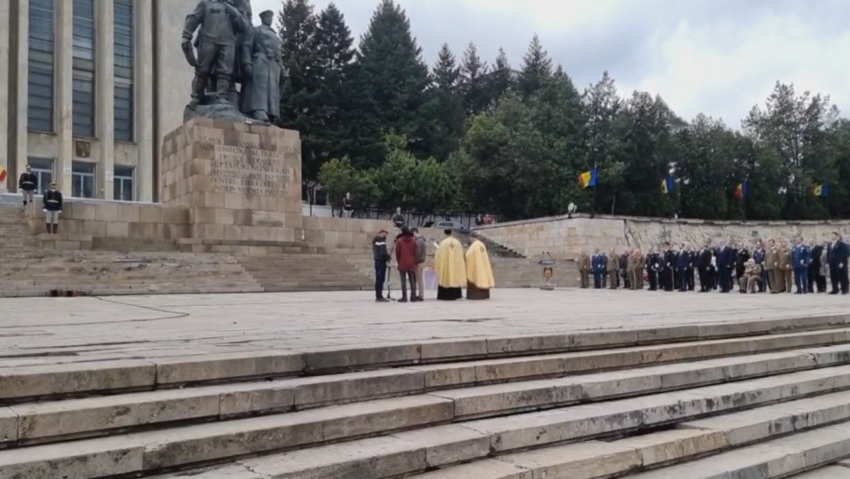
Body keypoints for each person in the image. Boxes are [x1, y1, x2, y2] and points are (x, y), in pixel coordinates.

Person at [435, 229, 465, 300]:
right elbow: (461, 254)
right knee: (455, 278)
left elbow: (438, 255)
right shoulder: (457, 243)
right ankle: (457, 294)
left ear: (445, 234)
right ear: (451, 233)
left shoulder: (443, 243)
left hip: (446, 266)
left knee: (446, 278)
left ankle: (445, 295)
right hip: (455, 265)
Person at [393, 226, 417, 302]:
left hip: (402, 262)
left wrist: (399, 261)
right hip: (411, 262)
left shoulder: (399, 241)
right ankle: (413, 296)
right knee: (412, 280)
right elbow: (415, 251)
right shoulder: (413, 241)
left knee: (403, 281)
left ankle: (404, 297)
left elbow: (397, 253)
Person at [371, 229, 391, 302]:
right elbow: (383, 252)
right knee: (380, 279)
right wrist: (388, 257)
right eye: (385, 234)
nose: (385, 236)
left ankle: (378, 295)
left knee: (378, 279)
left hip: (377, 261)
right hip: (381, 261)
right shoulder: (381, 241)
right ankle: (379, 296)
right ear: (381, 233)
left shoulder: (376, 241)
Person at [411, 228, 427, 301]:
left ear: (415, 232)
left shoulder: (419, 241)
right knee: (419, 279)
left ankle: (421, 295)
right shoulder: (422, 240)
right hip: (421, 261)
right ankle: (420, 294)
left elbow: (417, 252)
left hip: (419, 262)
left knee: (419, 279)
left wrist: (415, 261)